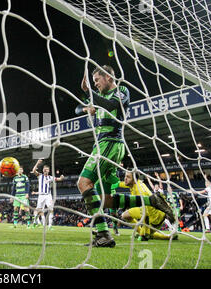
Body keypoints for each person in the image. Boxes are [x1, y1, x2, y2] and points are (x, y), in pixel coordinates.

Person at [76, 65, 174, 247]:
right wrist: (87, 108)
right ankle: (150, 200)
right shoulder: (101, 98)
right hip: (104, 145)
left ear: (108, 78)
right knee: (104, 199)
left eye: (97, 80)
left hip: (110, 143)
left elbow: (112, 104)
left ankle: (104, 235)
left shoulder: (121, 90)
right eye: (94, 81)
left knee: (83, 183)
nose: (95, 84)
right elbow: (78, 109)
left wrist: (90, 93)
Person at [117, 171, 177, 241]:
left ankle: (168, 237)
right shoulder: (133, 183)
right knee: (125, 215)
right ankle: (144, 233)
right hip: (146, 211)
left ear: (134, 180)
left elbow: (147, 212)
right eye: (125, 176)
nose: (125, 179)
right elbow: (120, 184)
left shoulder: (140, 190)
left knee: (146, 235)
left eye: (128, 177)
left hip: (155, 218)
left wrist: (144, 233)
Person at [31, 159, 64, 230]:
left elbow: (58, 179)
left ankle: (50, 226)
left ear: (49, 171)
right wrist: (37, 163)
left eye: (47, 169)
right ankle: (34, 222)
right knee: (39, 210)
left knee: (51, 209)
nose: (46, 170)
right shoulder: (40, 176)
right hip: (41, 196)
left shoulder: (50, 177)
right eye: (44, 169)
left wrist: (61, 178)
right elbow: (33, 171)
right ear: (43, 170)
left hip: (48, 195)